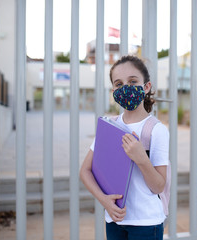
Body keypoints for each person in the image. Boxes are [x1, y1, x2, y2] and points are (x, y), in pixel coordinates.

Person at [80, 55, 169, 240]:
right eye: (119, 84)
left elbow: (158, 186)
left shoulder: (157, 130)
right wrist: (104, 200)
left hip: (146, 223)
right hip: (115, 221)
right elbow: (85, 171)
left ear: (146, 87)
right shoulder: (109, 127)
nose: (126, 88)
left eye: (133, 81)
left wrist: (141, 158)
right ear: (113, 90)